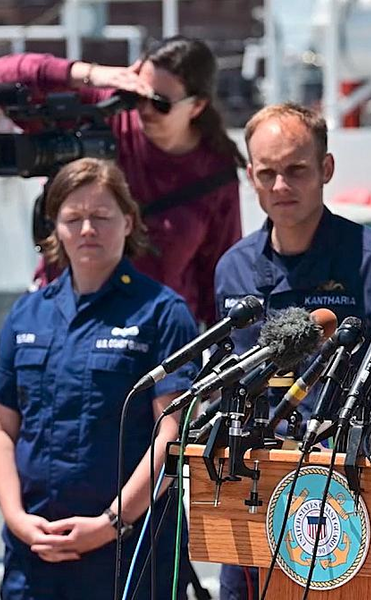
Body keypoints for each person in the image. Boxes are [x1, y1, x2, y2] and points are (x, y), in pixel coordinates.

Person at [214, 102, 371, 599]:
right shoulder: (232, 270)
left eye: (296, 170)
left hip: (350, 497)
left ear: (326, 169)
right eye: (267, 173)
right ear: (250, 177)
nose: (281, 186)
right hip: (258, 489)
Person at [0, 158, 199, 599]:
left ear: (128, 222)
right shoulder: (26, 316)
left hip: (130, 553)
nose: (87, 228)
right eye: (73, 218)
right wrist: (15, 518)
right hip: (34, 554)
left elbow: (175, 432)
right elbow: (4, 429)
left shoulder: (163, 315)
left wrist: (111, 523)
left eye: (102, 216)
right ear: (55, 228)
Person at [0, 36, 246, 326]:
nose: (144, 109)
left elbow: (220, 280)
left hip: (156, 336)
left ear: (197, 106)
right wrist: (92, 75)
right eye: (137, 94)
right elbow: (8, 74)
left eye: (160, 103)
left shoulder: (214, 173)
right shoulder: (104, 113)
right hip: (67, 323)